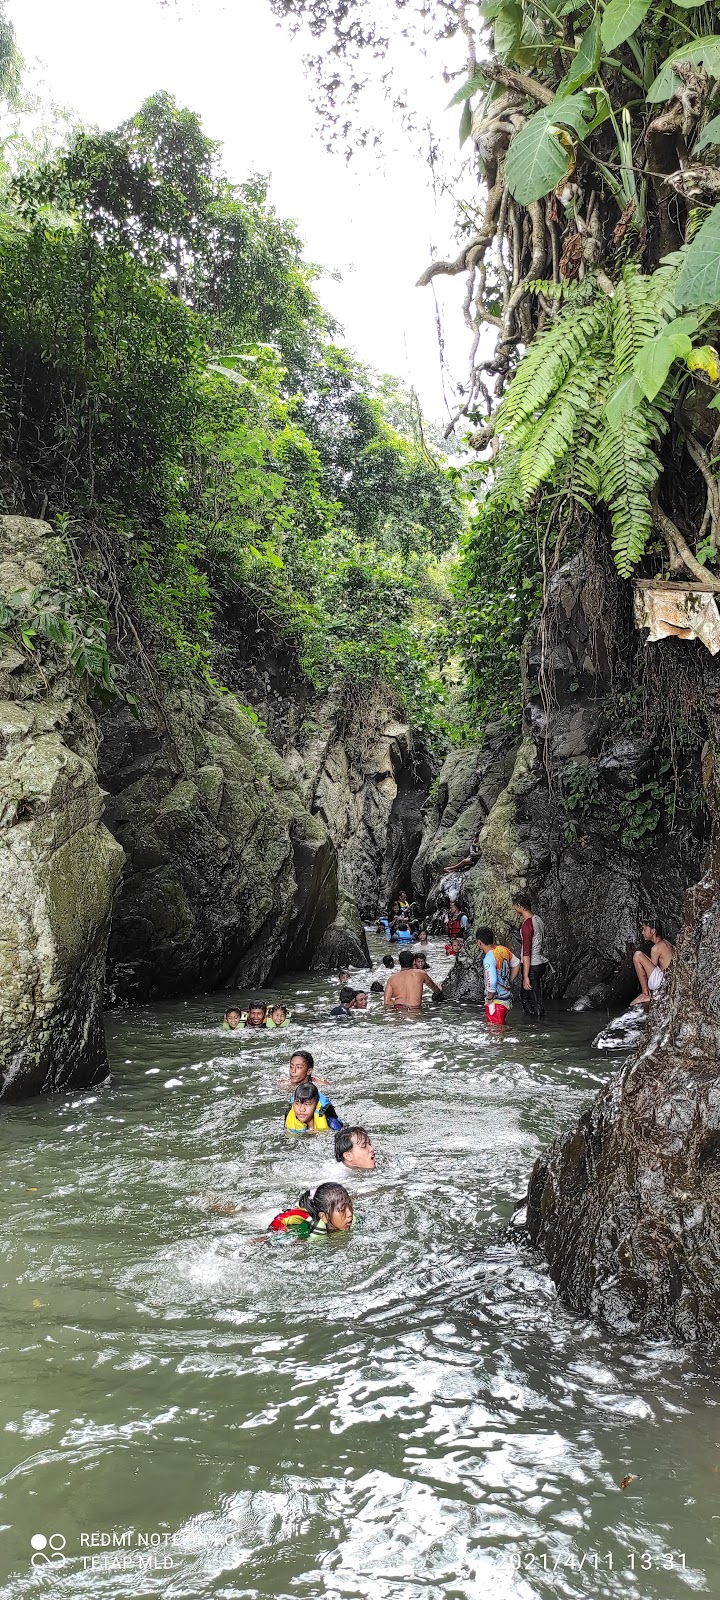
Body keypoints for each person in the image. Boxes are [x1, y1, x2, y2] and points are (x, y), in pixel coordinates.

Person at [269, 1182, 355, 1237]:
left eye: (350, 1205)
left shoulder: (350, 1219)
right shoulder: (306, 1229)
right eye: (342, 1209)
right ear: (324, 1217)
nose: (349, 1213)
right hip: (273, 1219)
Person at [476, 926, 520, 1029]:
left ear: (479, 942)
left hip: (496, 1003)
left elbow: (492, 983)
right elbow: (517, 963)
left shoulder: (488, 959)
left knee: (494, 1032)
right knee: (501, 1030)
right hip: (507, 999)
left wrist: (489, 998)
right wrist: (509, 981)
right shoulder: (503, 950)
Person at [512, 893, 548, 1018]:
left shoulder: (527, 925)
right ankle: (534, 1024)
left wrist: (526, 976)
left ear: (520, 906)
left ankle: (539, 1026)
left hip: (532, 965)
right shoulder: (538, 919)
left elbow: (527, 953)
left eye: (515, 906)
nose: (515, 908)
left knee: (532, 1001)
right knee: (528, 997)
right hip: (541, 963)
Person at [631, 921, 674, 1005]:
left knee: (637, 955)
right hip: (670, 980)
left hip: (662, 982)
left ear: (653, 931)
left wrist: (651, 993)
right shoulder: (666, 943)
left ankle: (645, 994)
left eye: (644, 929)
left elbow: (650, 972)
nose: (642, 932)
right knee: (642, 957)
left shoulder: (656, 948)